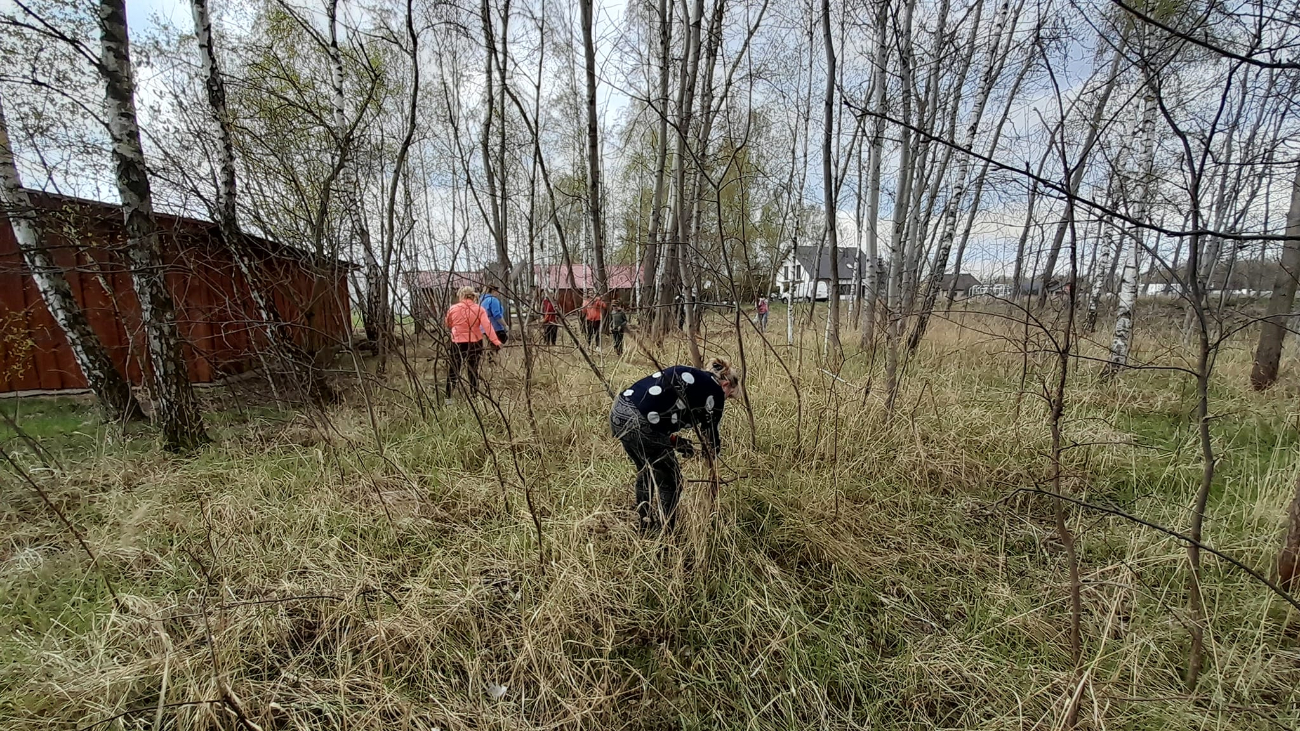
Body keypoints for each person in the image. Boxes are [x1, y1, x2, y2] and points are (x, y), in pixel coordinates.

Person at [609, 358, 738, 531]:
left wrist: (672, 441)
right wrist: (712, 468)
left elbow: (659, 407)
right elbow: (711, 439)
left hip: (619, 410)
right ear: (725, 384)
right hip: (641, 422)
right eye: (730, 394)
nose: (727, 398)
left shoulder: (695, 376)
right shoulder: (715, 391)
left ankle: (645, 522)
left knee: (646, 469)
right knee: (671, 480)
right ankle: (667, 531)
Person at [445, 286, 501, 402]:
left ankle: (448, 399)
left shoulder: (453, 309)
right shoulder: (479, 309)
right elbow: (487, 326)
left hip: (457, 342)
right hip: (475, 342)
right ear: (473, 296)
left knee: (453, 370)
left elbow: (449, 324)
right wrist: (496, 341)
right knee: (473, 370)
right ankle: (474, 396)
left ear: (461, 296)